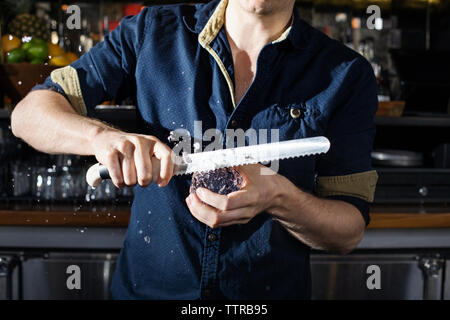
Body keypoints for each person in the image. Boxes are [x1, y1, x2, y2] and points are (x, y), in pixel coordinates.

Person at [11, 0, 378, 299]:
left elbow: (347, 231)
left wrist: (278, 197)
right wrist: (102, 138)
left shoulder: (345, 73)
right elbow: (29, 115)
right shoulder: (151, 32)